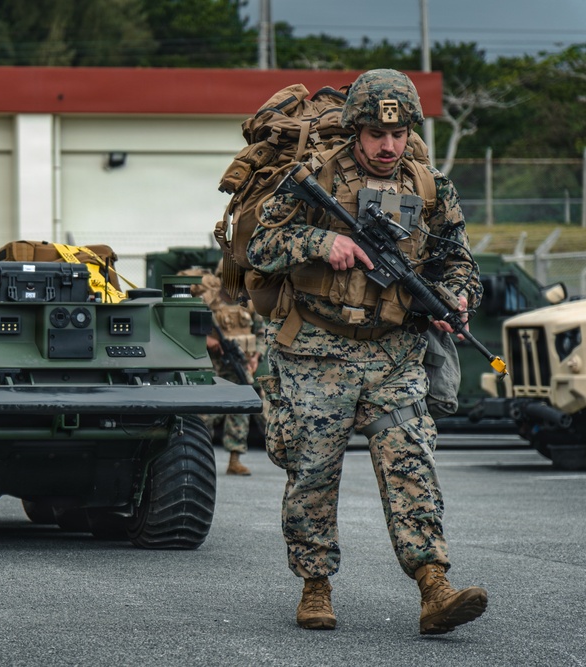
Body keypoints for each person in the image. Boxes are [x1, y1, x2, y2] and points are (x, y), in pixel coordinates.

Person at [247, 69, 488, 634]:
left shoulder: (432, 188)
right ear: (357, 129)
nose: (388, 146)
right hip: (314, 349)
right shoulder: (314, 178)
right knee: (312, 473)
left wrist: (456, 296)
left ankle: (434, 585)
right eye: (377, 134)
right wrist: (319, 240)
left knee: (411, 464)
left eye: (399, 133)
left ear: (410, 131)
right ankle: (315, 585)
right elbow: (260, 244)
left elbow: (459, 263)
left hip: (394, 353)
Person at [181, 267, 259, 476]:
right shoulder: (207, 300)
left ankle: (235, 460)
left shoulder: (249, 302)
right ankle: (201, 458)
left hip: (238, 362)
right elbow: (187, 326)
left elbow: (261, 331)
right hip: (212, 363)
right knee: (204, 412)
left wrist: (255, 356)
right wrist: (210, 342)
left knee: (240, 410)